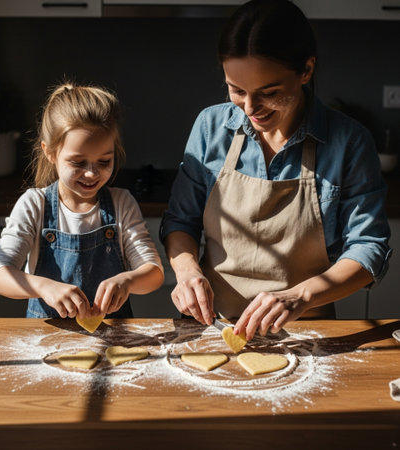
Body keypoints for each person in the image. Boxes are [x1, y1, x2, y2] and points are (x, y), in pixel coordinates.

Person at [160, 0, 391, 340]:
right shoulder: (210, 127)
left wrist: (300, 296)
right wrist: (186, 272)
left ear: (307, 71)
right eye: (237, 90)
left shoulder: (349, 142)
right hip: (212, 328)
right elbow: (181, 222)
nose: (251, 108)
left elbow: (368, 248)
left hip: (309, 333)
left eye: (269, 93)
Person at [0, 82, 164, 319]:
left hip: (114, 340)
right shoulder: (34, 205)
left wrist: (128, 280)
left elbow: (153, 272)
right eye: (78, 163)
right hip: (45, 340)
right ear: (50, 152)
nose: (91, 173)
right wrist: (43, 287)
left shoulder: (122, 203)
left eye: (104, 162)